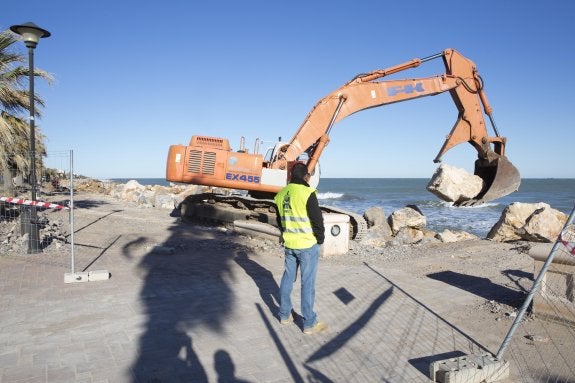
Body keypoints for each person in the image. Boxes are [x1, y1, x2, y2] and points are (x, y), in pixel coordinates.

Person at [274, 162, 327, 335]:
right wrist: (319, 240)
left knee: (287, 279)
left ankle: (284, 315)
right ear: (305, 176)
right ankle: (309, 323)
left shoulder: (281, 194)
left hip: (289, 244)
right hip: (306, 245)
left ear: (291, 176)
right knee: (307, 283)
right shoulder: (307, 193)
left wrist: (287, 234)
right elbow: (317, 220)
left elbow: (280, 221)